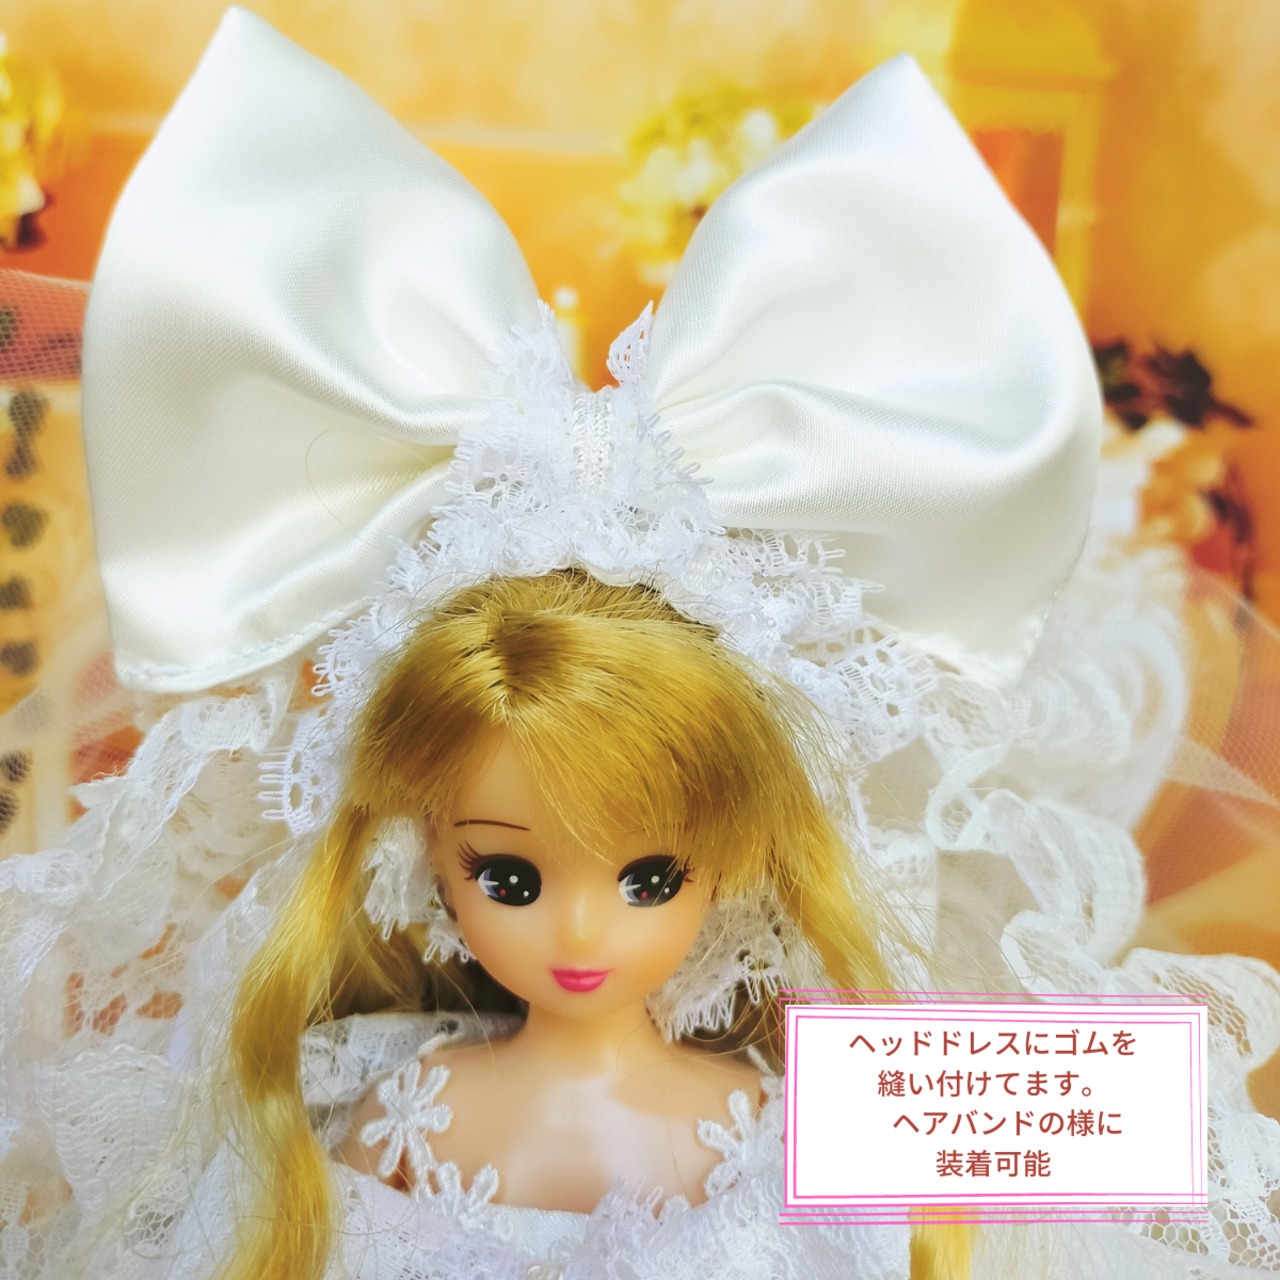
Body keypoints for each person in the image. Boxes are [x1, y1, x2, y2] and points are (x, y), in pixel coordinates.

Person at [1, 8, 1277, 1279]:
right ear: (419, 853)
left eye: (651, 875)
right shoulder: (393, 1113)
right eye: (508, 876)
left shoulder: (782, 1126)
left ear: (735, 858)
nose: (579, 932)